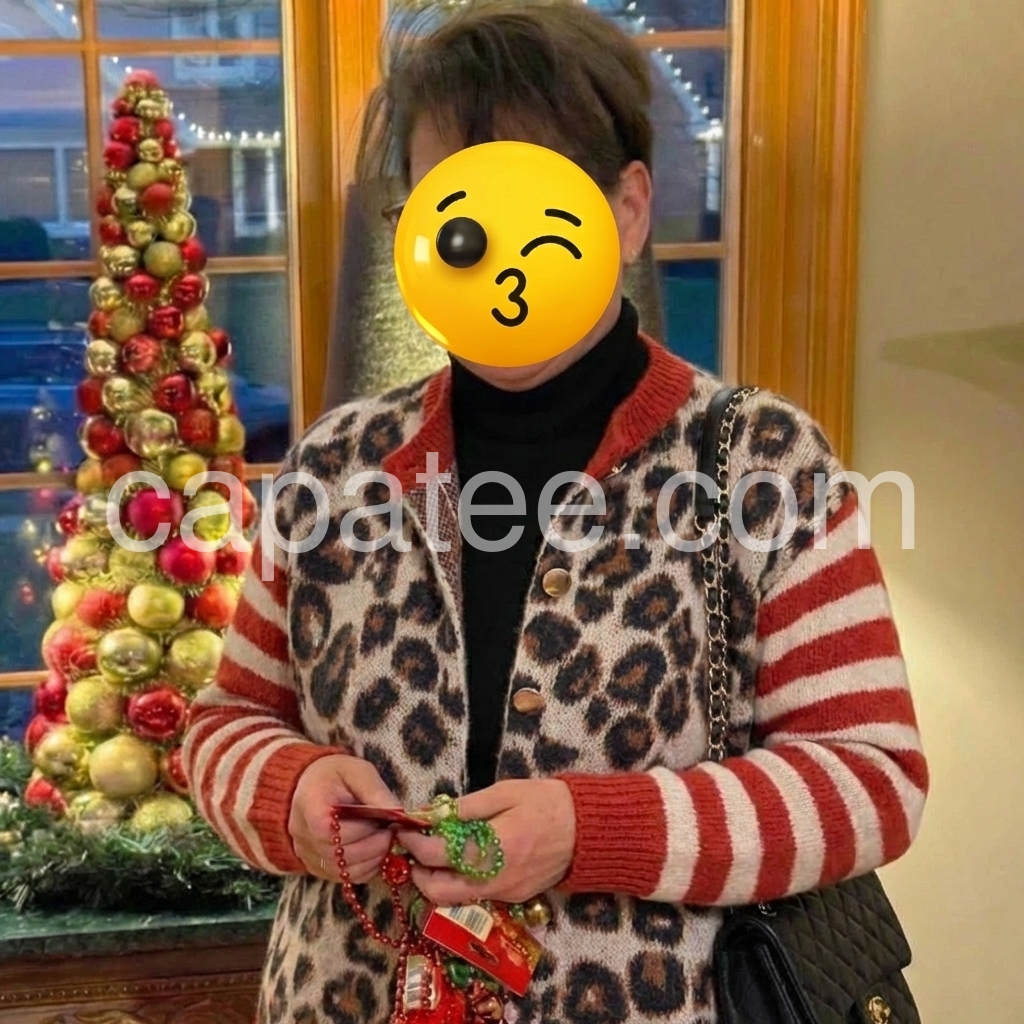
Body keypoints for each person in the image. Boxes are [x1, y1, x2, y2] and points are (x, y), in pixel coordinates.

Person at [183, 3, 928, 1022]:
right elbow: (226, 724)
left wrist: (588, 830)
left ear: (627, 210)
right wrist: (290, 794)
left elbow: (871, 779)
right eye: (454, 209)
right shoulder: (338, 465)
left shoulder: (761, 463)